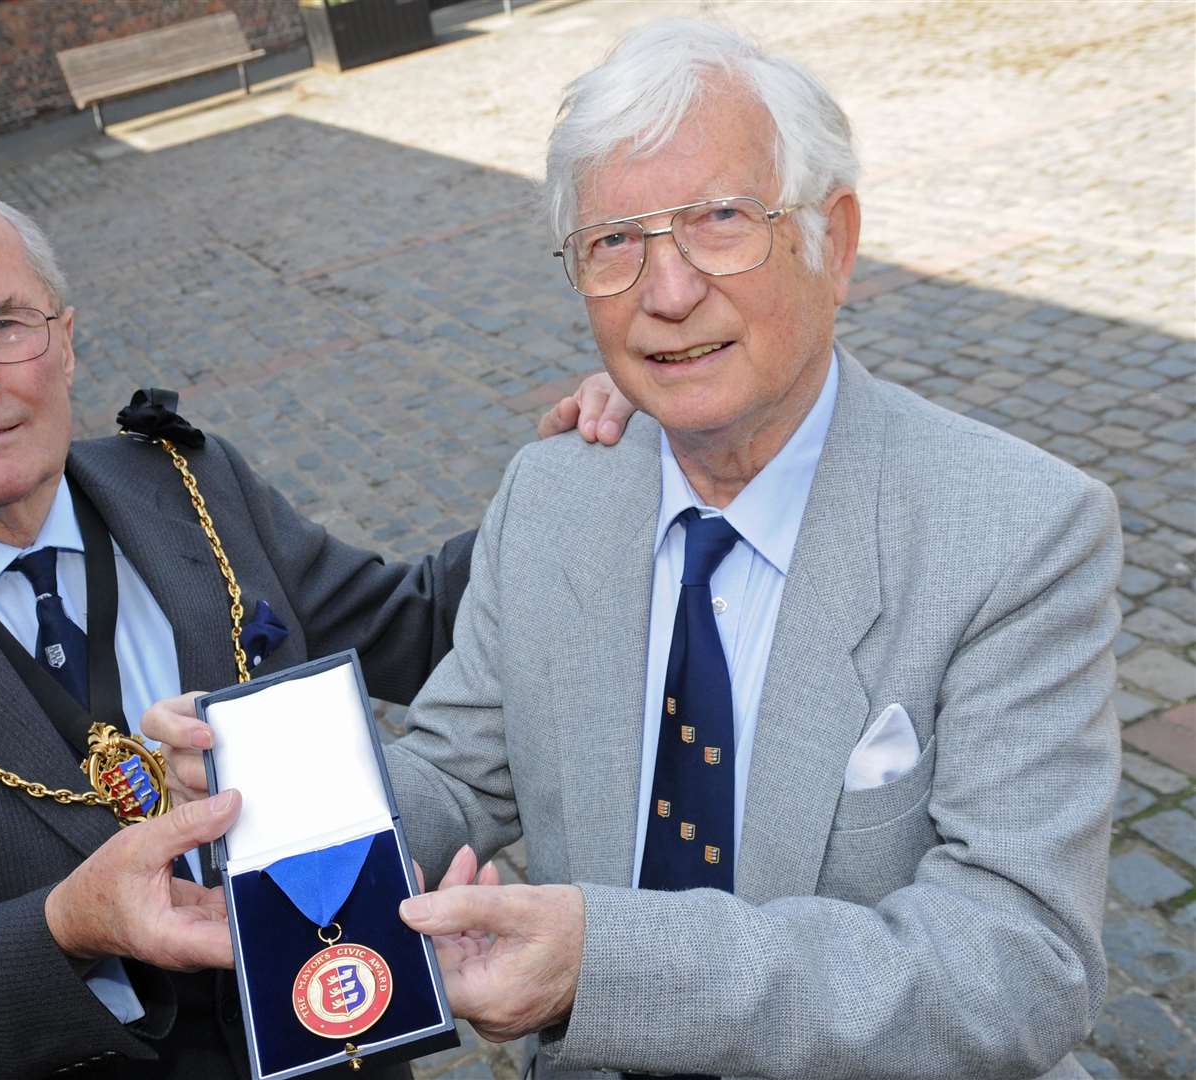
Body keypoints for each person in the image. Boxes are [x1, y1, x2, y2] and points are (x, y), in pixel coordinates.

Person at [147, 18, 1122, 1080]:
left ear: (832, 243)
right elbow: (460, 772)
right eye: (616, 242)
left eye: (718, 221)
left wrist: (605, 967)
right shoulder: (557, 491)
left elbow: (1018, 968)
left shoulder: (1019, 530)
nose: (666, 293)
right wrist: (267, 807)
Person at [0, 171, 629, 1080]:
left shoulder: (186, 482)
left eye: (4, 324)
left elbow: (415, 626)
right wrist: (67, 927)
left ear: (68, 341)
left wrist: (575, 477)